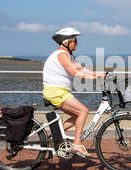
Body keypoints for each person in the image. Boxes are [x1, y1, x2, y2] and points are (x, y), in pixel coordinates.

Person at [43, 27, 105, 157]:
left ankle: (51, 137)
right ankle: (77, 143)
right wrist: (97, 77)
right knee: (83, 111)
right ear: (66, 42)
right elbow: (74, 72)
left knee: (77, 116)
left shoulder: (69, 55)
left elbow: (80, 68)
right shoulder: (62, 54)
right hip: (56, 91)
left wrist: (98, 74)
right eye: (75, 40)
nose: (77, 43)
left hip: (59, 91)